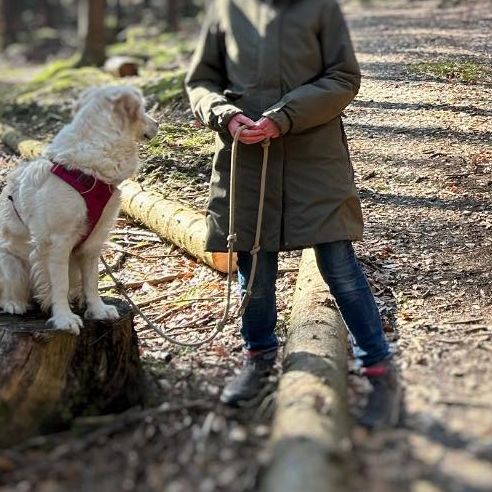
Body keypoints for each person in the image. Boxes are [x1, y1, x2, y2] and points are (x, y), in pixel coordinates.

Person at [185, 0, 399, 428]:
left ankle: (380, 371)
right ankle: (258, 358)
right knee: (254, 271)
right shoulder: (226, 7)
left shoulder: (321, 8)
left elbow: (343, 77)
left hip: (314, 160)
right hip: (244, 163)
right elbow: (201, 80)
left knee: (339, 266)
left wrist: (285, 116)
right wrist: (223, 115)